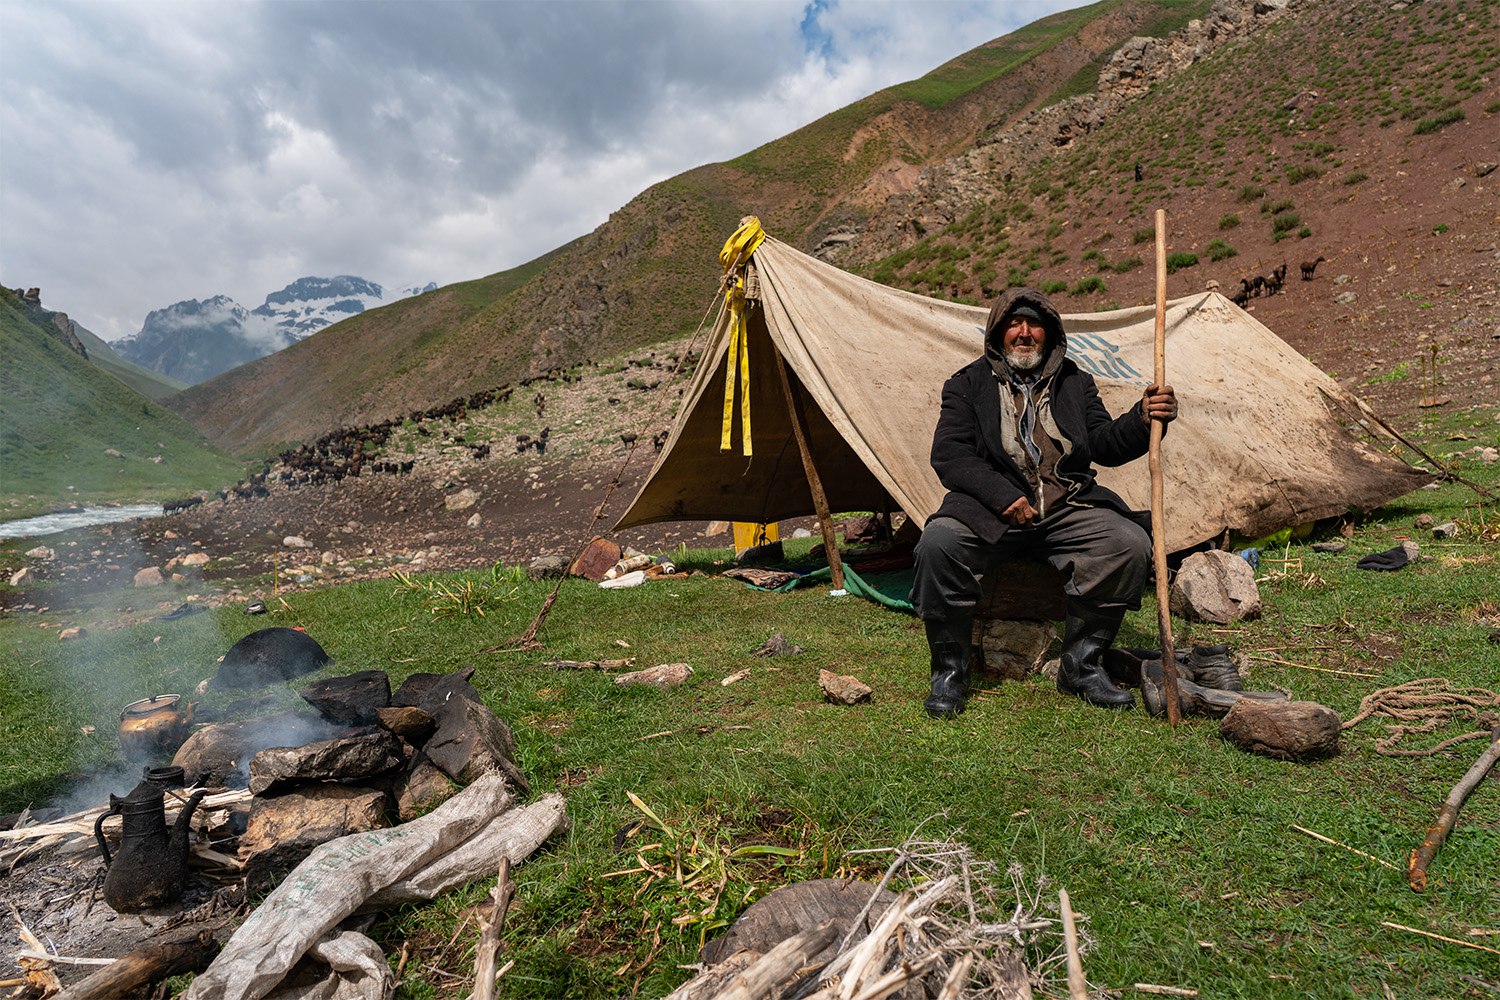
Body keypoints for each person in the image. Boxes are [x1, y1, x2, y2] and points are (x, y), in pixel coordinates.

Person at [910, 287, 1177, 718]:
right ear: (998, 334)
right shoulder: (966, 384)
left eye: (1034, 324)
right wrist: (1003, 496)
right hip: (988, 510)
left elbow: (1103, 444)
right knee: (938, 545)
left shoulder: (1074, 381)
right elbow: (951, 455)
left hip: (1065, 506)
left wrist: (1142, 417)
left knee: (1127, 543)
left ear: (1050, 334)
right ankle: (949, 672)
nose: (1024, 333)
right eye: (1014, 324)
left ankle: (1081, 665)